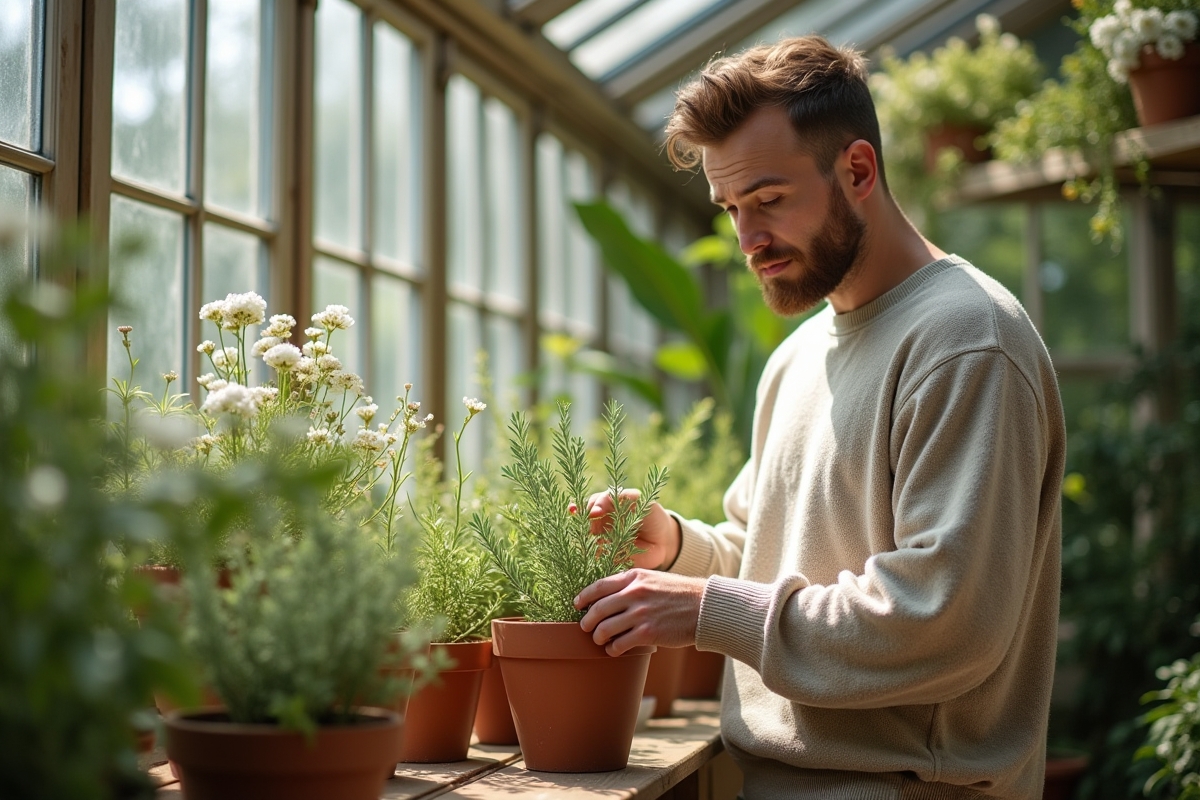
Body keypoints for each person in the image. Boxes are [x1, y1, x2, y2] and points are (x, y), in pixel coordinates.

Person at [573, 34, 1065, 800]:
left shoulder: (967, 340)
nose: (748, 239)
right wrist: (678, 547)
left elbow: (946, 620)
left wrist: (708, 611)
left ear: (859, 170)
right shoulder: (799, 356)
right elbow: (762, 553)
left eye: (768, 200)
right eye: (732, 208)